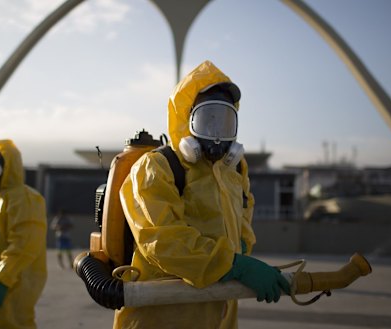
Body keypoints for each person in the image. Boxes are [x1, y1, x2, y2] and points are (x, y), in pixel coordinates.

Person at [113, 61, 290, 328]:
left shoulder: (234, 172)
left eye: (225, 122)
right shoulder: (157, 167)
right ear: (187, 120)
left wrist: (239, 252)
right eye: (209, 120)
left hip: (221, 312)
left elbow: (243, 227)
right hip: (161, 317)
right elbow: (162, 240)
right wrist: (235, 266)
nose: (217, 135)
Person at [0, 139, 48, 329]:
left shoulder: (24, 199)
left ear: (8, 169)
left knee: (12, 324)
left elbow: (25, 245)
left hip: (12, 286)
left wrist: (2, 280)